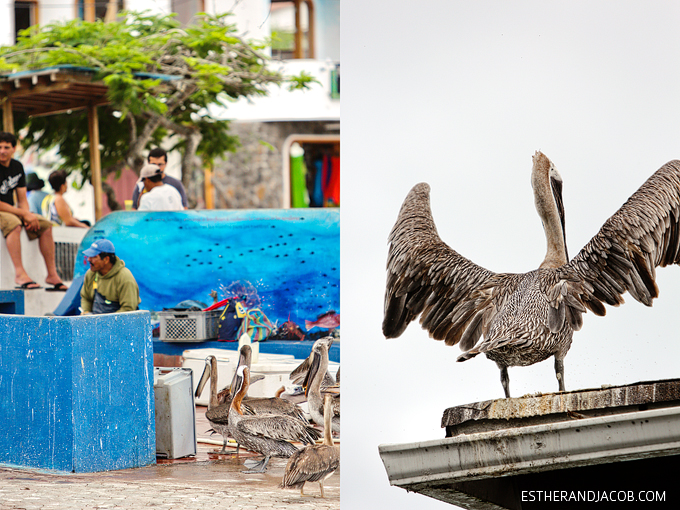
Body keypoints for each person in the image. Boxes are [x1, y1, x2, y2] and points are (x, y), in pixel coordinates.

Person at [0, 132, 67, 291]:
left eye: (6, 147)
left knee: (45, 225)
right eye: (0, 147)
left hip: (13, 210)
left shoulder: (17, 167)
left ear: (14, 149)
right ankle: (20, 274)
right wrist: (23, 215)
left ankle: (52, 275)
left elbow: (22, 198)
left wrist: (28, 215)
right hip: (4, 211)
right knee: (14, 224)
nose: (2, 150)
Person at [80, 239, 140, 314]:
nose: (89, 259)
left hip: (119, 323)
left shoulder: (124, 277)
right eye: (89, 256)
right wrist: (86, 313)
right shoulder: (91, 273)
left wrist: (106, 323)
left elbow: (128, 309)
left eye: (94, 257)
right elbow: (86, 298)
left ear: (106, 259)